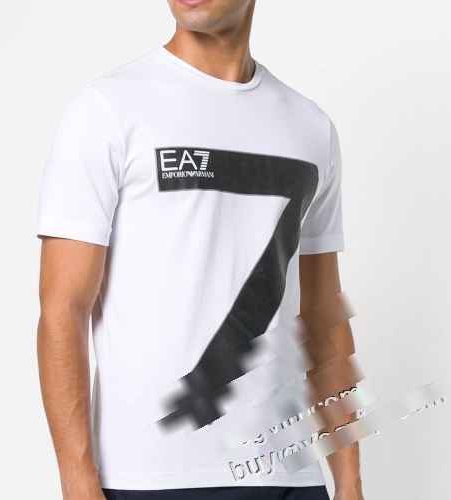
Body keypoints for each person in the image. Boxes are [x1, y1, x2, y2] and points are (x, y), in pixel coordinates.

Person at [35, 0, 364, 499]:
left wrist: (350, 480)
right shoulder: (109, 109)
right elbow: (63, 307)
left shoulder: (310, 128)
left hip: (286, 476)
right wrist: (77, 481)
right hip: (148, 479)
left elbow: (323, 316)